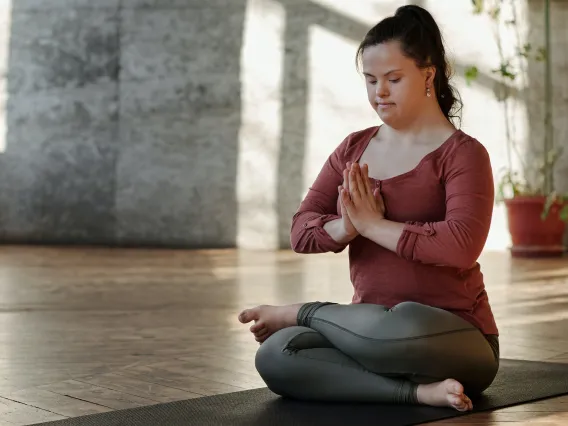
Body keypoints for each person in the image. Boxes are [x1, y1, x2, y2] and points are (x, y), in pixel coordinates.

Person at [238, 4, 499, 412]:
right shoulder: (353, 148)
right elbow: (301, 231)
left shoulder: (464, 155)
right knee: (276, 353)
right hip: (367, 329)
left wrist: (374, 225)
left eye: (394, 79)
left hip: (453, 336)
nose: (380, 92)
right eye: (371, 79)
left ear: (428, 74)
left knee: (401, 323)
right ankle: (416, 393)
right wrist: (346, 228)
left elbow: (459, 245)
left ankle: (302, 313)